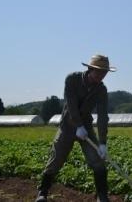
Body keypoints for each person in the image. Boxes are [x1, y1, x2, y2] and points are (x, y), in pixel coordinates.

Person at [35, 54, 116, 202]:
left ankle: (102, 196)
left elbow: (103, 116)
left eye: (104, 73)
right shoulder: (72, 79)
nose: (101, 75)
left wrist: (103, 142)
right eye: (98, 71)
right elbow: (71, 104)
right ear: (90, 69)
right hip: (68, 125)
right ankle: (42, 192)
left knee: (97, 160)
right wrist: (78, 126)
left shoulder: (101, 90)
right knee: (56, 158)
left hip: (86, 126)